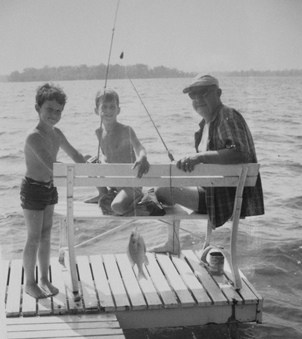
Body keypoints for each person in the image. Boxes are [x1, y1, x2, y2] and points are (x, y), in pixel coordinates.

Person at [151, 74, 264, 254]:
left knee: (162, 191)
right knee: (165, 182)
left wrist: (199, 157)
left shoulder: (226, 115)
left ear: (218, 93)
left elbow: (240, 153)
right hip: (216, 190)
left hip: (224, 199)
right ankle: (173, 242)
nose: (197, 98)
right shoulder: (206, 124)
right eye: (192, 95)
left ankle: (173, 242)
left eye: (203, 92)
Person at [20, 83, 87, 299]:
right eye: (49, 109)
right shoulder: (34, 136)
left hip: (50, 189)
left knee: (46, 235)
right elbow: (53, 166)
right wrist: (74, 171)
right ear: (37, 108)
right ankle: (29, 283)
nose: (54, 115)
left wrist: (89, 164)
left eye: (58, 111)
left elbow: (75, 155)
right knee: (33, 237)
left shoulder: (57, 133)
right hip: (33, 190)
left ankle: (44, 279)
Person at [85, 89, 151, 216]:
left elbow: (139, 147)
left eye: (112, 107)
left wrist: (142, 157)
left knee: (117, 207)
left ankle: (142, 198)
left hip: (131, 185)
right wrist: (102, 162)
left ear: (118, 110)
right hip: (114, 183)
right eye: (104, 107)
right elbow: (106, 154)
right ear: (96, 110)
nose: (108, 110)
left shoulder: (126, 130)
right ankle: (103, 193)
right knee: (86, 158)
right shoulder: (98, 132)